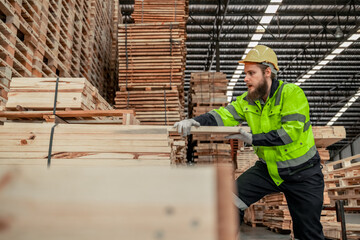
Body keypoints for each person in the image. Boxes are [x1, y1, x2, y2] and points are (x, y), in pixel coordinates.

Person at [174, 45, 325, 240]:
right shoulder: (248, 101)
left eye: (251, 73)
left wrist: (254, 139)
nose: (245, 78)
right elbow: (223, 115)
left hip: (303, 174)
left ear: (267, 72)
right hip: (269, 170)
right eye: (245, 73)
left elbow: (290, 134)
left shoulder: (291, 94)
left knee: (309, 233)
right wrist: (196, 121)